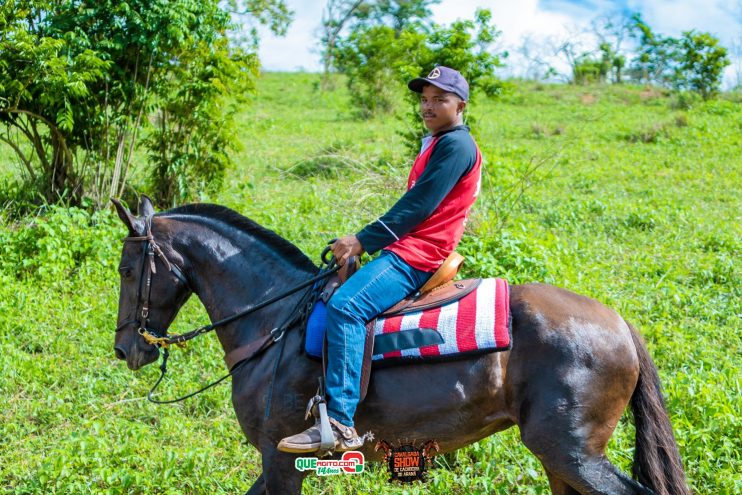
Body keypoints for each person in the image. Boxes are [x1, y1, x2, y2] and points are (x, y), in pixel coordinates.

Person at [278, 66, 483, 453]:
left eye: (440, 99)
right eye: (424, 99)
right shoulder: (441, 142)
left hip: (419, 253)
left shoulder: (456, 145)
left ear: (461, 105)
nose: (428, 106)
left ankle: (340, 422)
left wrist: (362, 240)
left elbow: (419, 207)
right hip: (409, 245)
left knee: (346, 306)